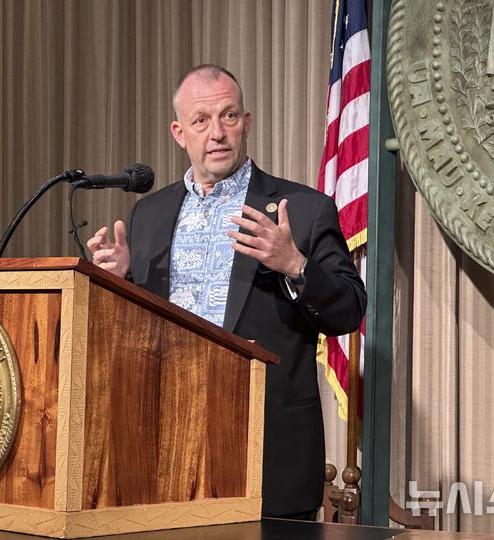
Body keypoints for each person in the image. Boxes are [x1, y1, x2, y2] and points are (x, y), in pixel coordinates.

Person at [87, 64, 366, 519]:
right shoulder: (148, 214)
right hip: (164, 446)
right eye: (201, 120)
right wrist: (120, 284)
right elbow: (138, 330)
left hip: (267, 447)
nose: (216, 133)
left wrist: (294, 264)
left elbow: (349, 311)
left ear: (246, 122)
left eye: (228, 116)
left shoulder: (303, 209)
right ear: (179, 132)